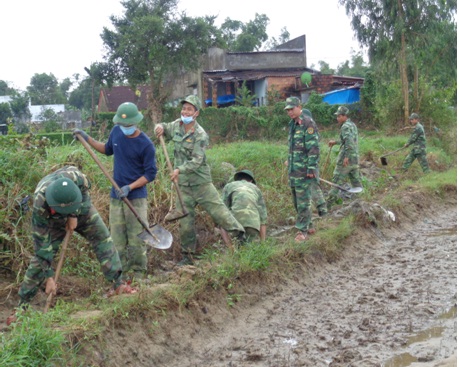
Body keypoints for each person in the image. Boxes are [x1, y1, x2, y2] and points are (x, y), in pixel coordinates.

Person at [6, 166, 134, 326]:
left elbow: (87, 191)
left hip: (80, 209)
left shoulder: (78, 178)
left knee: (103, 238)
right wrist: (49, 277)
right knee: (40, 261)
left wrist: (74, 214)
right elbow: (41, 246)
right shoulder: (41, 204)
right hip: (55, 221)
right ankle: (21, 308)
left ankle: (118, 284)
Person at [154, 95, 245, 266]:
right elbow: (163, 127)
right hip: (183, 186)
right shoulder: (176, 126)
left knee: (220, 213)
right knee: (185, 223)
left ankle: (241, 237)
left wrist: (179, 169)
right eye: (184, 108)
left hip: (201, 183)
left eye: (189, 109)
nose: (185, 112)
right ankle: (187, 257)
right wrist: (158, 127)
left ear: (196, 113)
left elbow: (196, 160)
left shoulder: (201, 135)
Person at [74, 102, 157, 281]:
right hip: (116, 197)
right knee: (117, 238)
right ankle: (120, 274)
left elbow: (150, 174)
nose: (125, 128)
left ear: (136, 122)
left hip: (136, 197)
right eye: (122, 124)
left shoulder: (146, 145)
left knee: (137, 238)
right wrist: (87, 138)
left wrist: (130, 187)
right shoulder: (116, 132)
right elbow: (106, 149)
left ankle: (138, 273)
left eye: (128, 125)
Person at [284, 96, 322, 242]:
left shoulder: (308, 123)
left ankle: (302, 231)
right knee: (296, 200)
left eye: (292, 109)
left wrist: (312, 168)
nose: (290, 112)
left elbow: (313, 148)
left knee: (303, 201)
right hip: (294, 170)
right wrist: (290, 160)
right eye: (288, 110)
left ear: (299, 107)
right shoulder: (293, 124)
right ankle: (310, 224)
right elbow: (294, 147)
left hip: (305, 170)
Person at [326, 106, 362, 210]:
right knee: (356, 183)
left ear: (344, 116)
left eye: (339, 116)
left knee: (336, 182)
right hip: (354, 159)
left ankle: (326, 207)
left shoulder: (345, 126)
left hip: (346, 160)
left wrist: (346, 157)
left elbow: (349, 142)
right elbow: (347, 140)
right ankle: (361, 203)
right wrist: (336, 142)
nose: (337, 118)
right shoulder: (352, 125)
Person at [220, 170, 268, 242]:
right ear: (251, 180)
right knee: (249, 246)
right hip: (253, 225)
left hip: (235, 225)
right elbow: (263, 217)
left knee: (222, 221)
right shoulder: (256, 188)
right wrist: (263, 242)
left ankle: (230, 250)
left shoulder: (229, 186)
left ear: (237, 179)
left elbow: (223, 209)